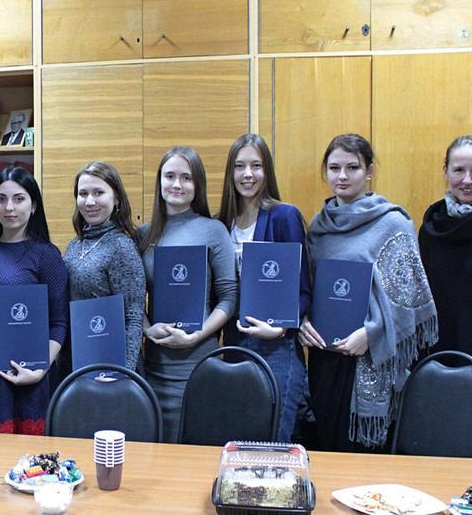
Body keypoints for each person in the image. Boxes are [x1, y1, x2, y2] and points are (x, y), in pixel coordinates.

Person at [298, 133, 437, 452]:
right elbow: (309, 287)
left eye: (353, 167)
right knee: (326, 446)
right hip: (324, 357)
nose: (342, 176)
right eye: (334, 168)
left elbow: (407, 298)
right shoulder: (319, 227)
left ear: (369, 170)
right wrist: (303, 320)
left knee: (364, 455)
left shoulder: (393, 223)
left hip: (370, 355)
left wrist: (372, 334)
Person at [138, 145, 237, 443]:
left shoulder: (213, 230)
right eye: (170, 176)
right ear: (160, 181)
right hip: (154, 363)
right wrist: (147, 329)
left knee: (196, 451)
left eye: (186, 177)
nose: (177, 184)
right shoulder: (144, 234)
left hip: (199, 362)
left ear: (198, 185)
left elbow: (229, 297)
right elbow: (132, 299)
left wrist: (195, 336)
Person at [218, 134, 310, 443]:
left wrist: (282, 327)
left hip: (277, 347)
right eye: (240, 166)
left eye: (256, 166)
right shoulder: (222, 223)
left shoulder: (284, 216)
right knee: (240, 440)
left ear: (267, 170)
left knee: (274, 441)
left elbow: (303, 289)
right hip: (234, 344)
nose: (248, 174)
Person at [0, 167, 69, 435]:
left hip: (31, 376)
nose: (9, 207)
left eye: (19, 199)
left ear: (33, 205)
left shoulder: (46, 255)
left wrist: (40, 369)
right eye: (1, 199)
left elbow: (59, 323)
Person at [63, 161, 145, 378]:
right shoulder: (74, 245)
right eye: (83, 194)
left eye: (98, 193)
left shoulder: (122, 247)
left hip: (110, 366)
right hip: (77, 359)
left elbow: (133, 317)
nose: (89, 201)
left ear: (116, 198)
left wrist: (122, 374)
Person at [419, 135, 472, 375]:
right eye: (459, 170)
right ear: (446, 171)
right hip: (439, 357)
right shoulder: (431, 227)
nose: (467, 180)